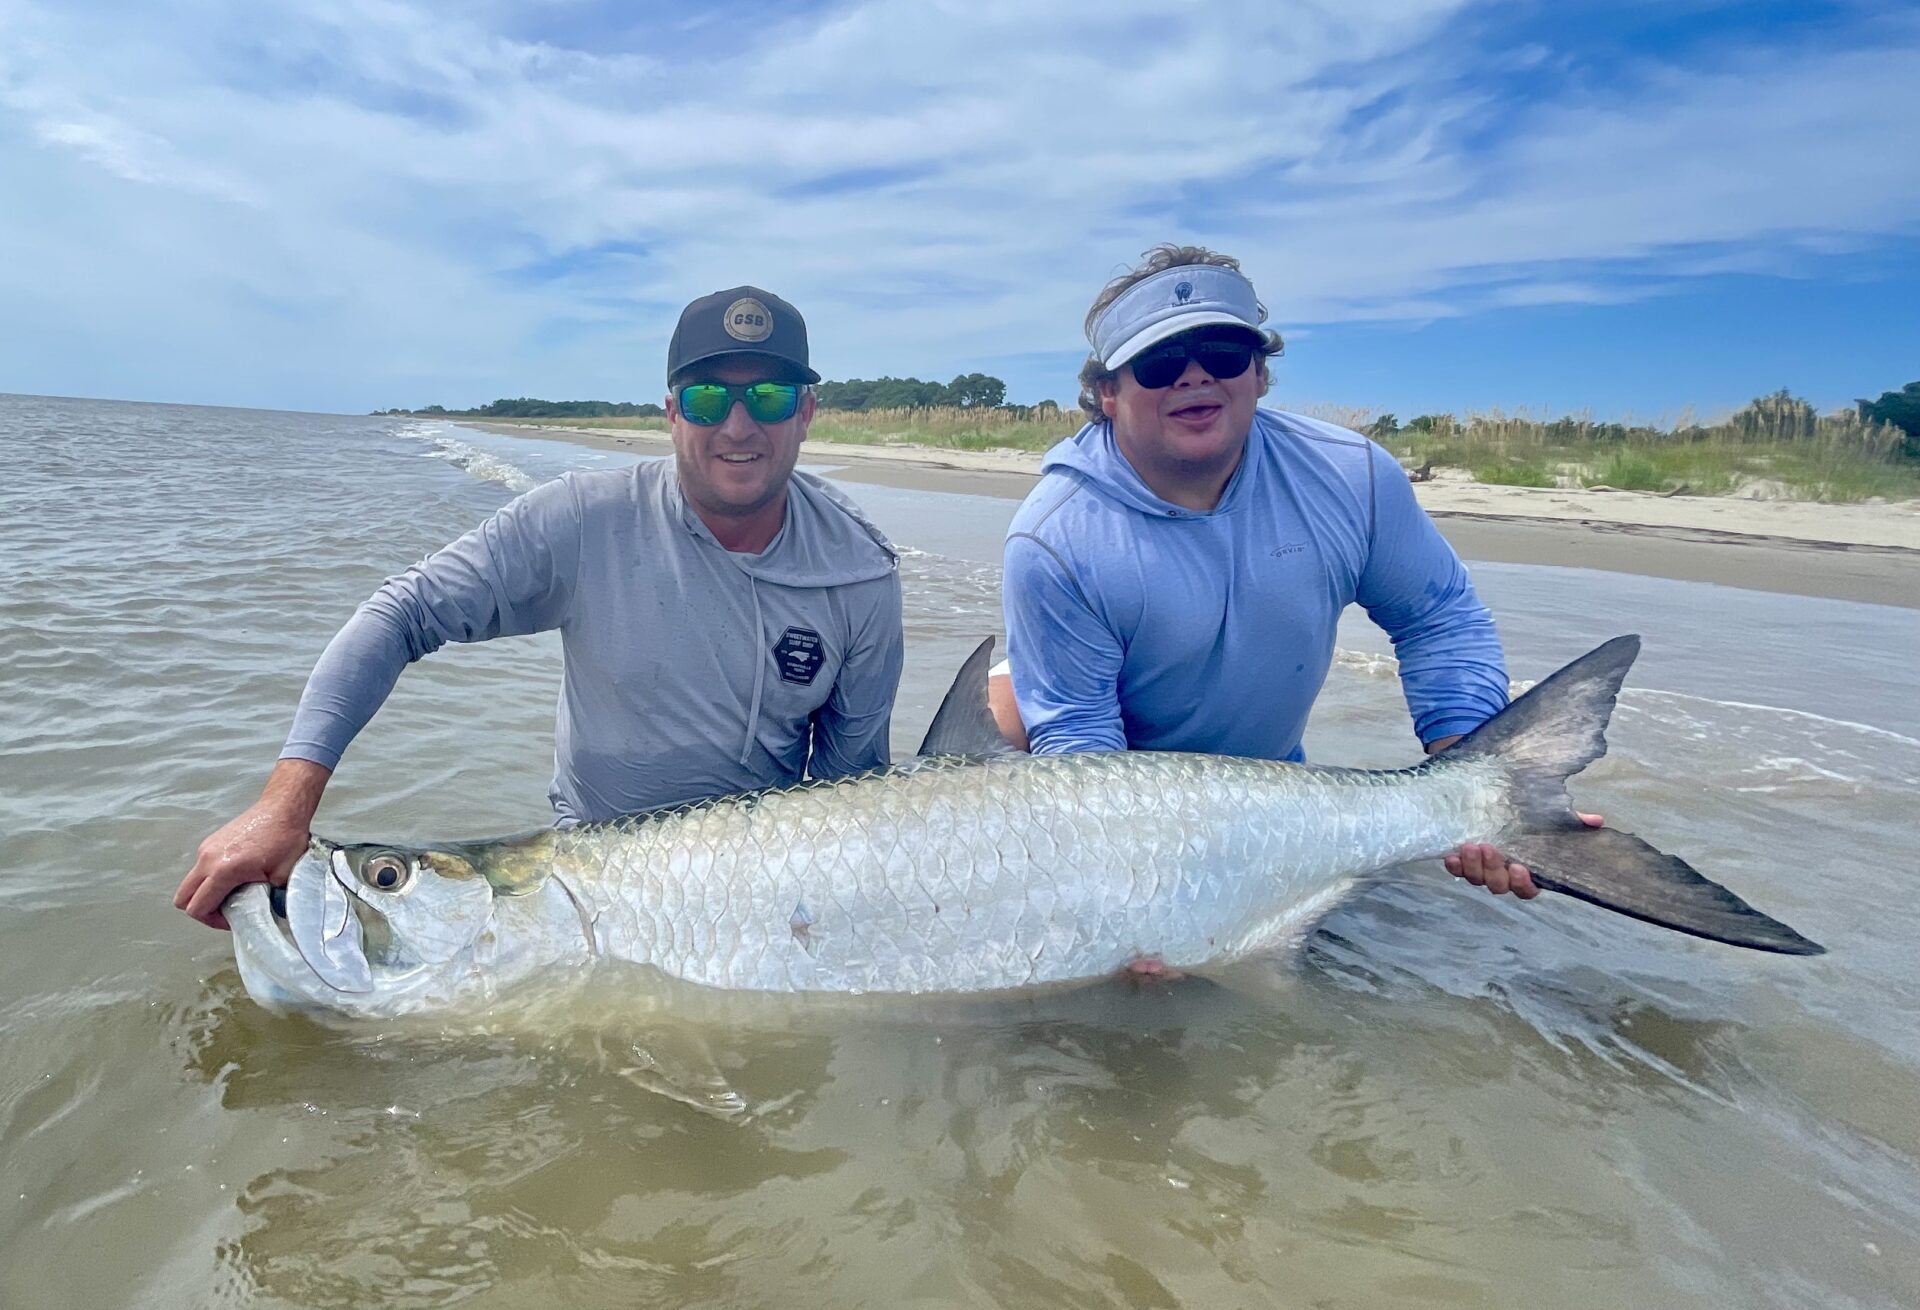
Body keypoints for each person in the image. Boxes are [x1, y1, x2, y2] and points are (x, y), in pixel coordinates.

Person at [177, 286, 903, 929]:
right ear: (672, 412)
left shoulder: (861, 574)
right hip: (585, 874)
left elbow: (850, 793)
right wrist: (284, 805)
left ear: (806, 411)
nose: (739, 427)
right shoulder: (583, 523)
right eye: (709, 399)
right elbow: (401, 614)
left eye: (769, 398)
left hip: (760, 884)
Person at [996, 246, 1599, 914]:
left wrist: (1470, 772)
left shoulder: (1351, 476)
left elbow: (1438, 618)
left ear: (1259, 372)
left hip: (1273, 781)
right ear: (1107, 393)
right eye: (1161, 363)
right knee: (1009, 719)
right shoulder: (1053, 537)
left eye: (1222, 353)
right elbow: (1081, 745)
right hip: (1103, 765)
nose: (1194, 377)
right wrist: (1135, 891)